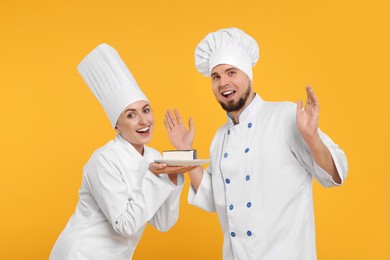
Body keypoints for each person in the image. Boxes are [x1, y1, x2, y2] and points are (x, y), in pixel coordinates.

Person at [165, 27, 348, 260]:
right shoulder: (220, 137)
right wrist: (185, 152)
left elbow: (335, 174)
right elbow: (214, 198)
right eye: (216, 76)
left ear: (248, 75)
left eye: (231, 72)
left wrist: (312, 137)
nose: (223, 82)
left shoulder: (285, 116)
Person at [50, 43, 194, 259]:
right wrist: (155, 177)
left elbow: (163, 223)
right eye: (131, 115)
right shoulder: (103, 161)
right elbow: (125, 225)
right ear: (116, 126)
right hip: (80, 253)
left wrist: (173, 175)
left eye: (146, 110)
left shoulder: (154, 156)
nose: (144, 120)